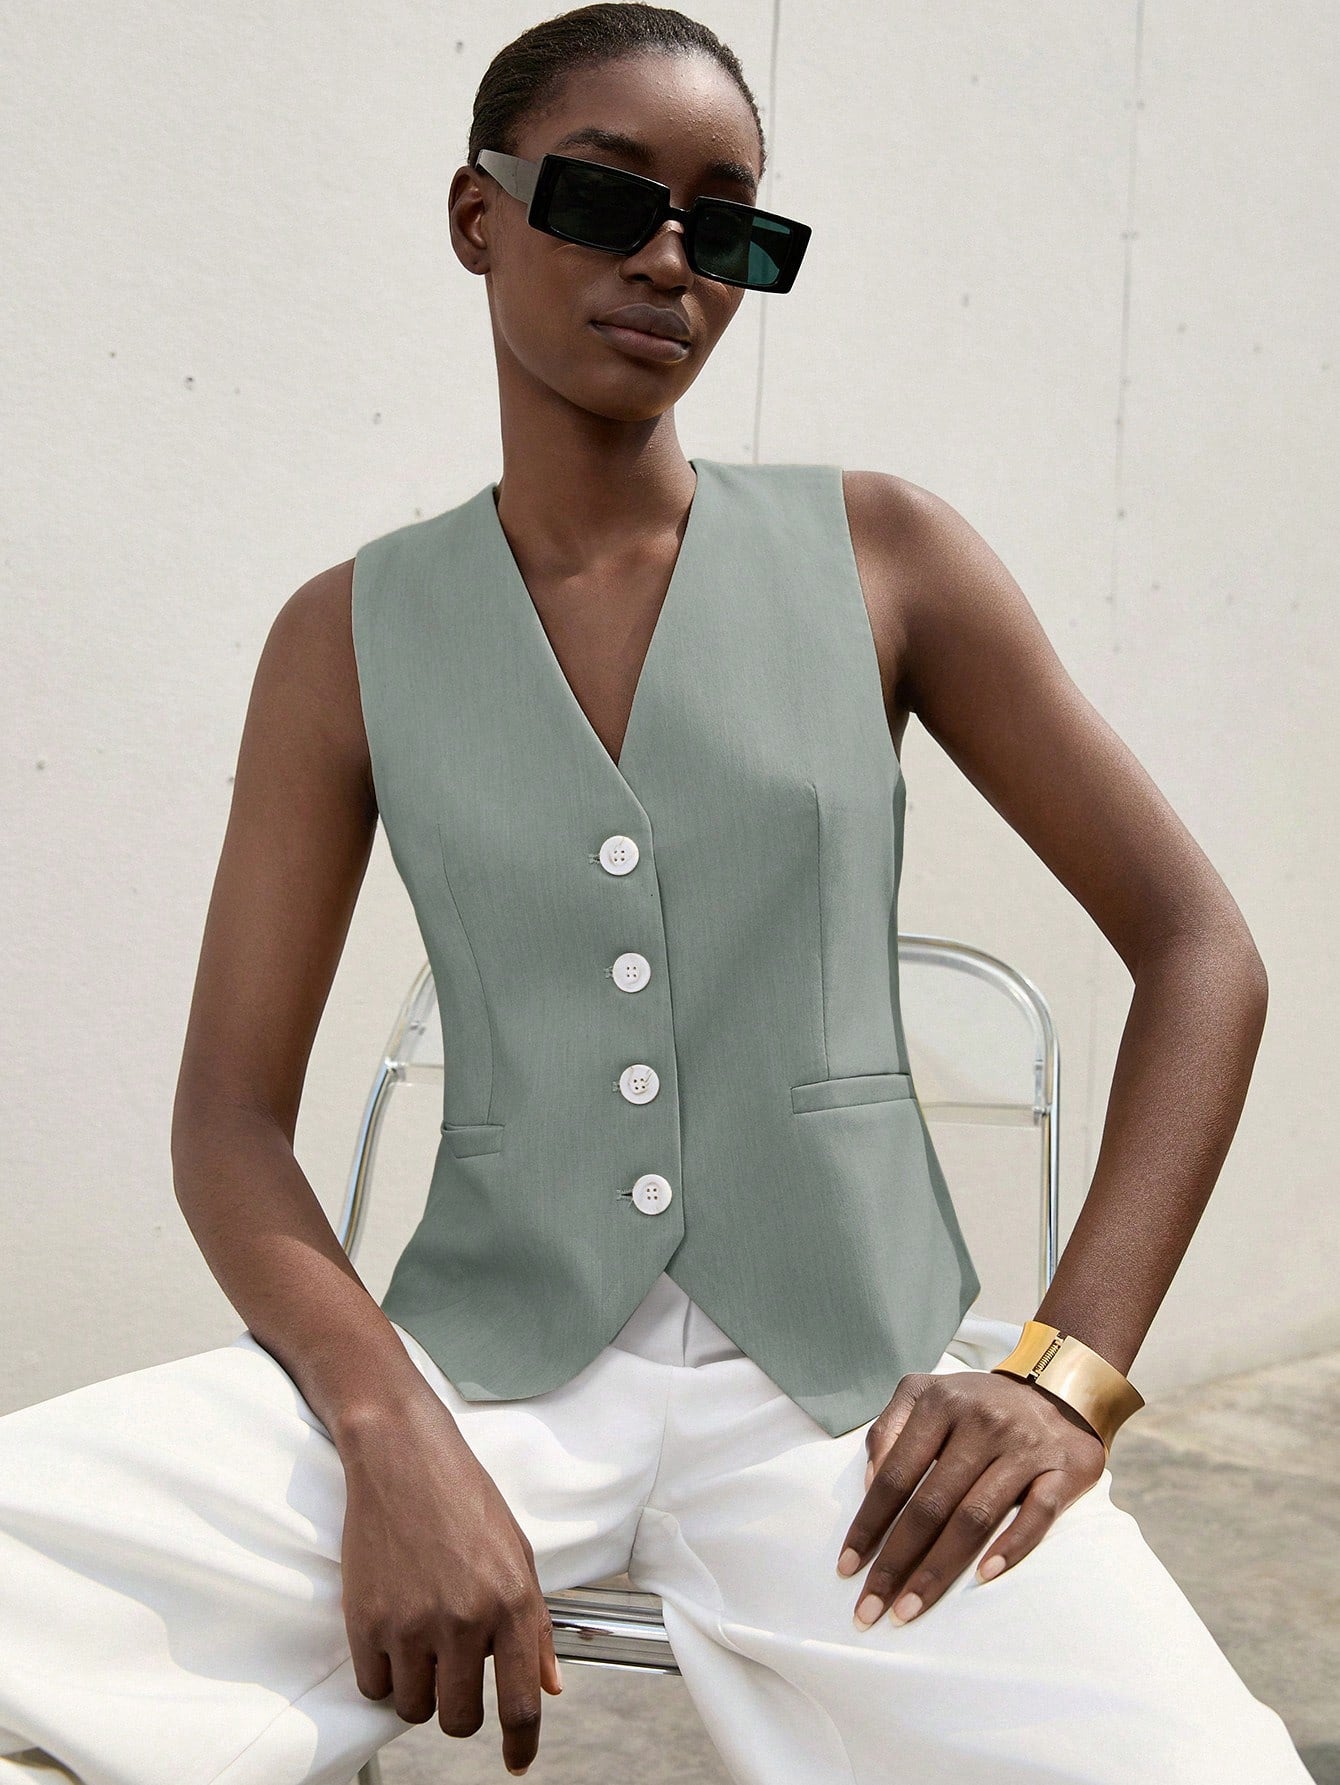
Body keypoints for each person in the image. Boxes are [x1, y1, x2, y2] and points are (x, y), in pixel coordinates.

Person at [0, 6, 1312, 1783]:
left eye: (730, 226)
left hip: (856, 1423)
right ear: (477, 216)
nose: (673, 261)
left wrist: (1063, 1372)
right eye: (608, 200)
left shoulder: (884, 555)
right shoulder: (347, 634)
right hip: (479, 1380)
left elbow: (1201, 951)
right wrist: (388, 1428)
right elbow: (227, 1119)